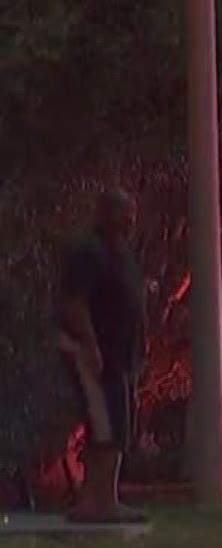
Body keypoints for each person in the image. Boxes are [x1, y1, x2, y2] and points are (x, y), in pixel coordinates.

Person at [54, 189, 146, 524]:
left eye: (132, 212)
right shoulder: (89, 252)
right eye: (124, 212)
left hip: (119, 355)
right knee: (106, 424)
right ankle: (100, 501)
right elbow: (73, 301)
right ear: (106, 213)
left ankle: (101, 498)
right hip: (95, 352)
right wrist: (91, 344)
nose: (131, 219)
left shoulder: (120, 254)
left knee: (115, 424)